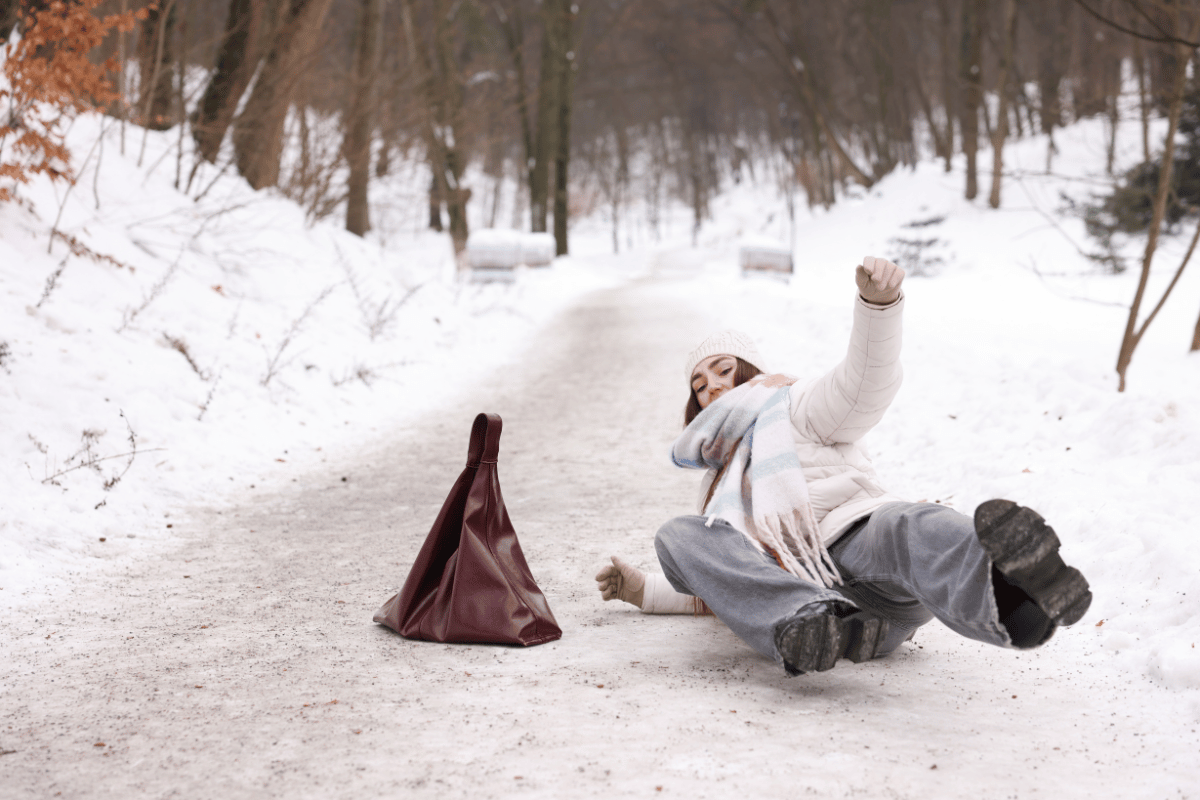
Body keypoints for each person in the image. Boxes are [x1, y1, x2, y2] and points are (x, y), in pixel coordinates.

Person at [595, 256, 1092, 675]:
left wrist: (878, 309)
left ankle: (1015, 596)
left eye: (723, 370)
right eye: (700, 385)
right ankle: (807, 624)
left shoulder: (793, 404)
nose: (713, 387)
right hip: (835, 615)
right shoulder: (716, 486)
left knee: (902, 523)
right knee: (678, 536)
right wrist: (644, 591)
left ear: (750, 372)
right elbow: (733, 586)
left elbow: (862, 386)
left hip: (867, 563)